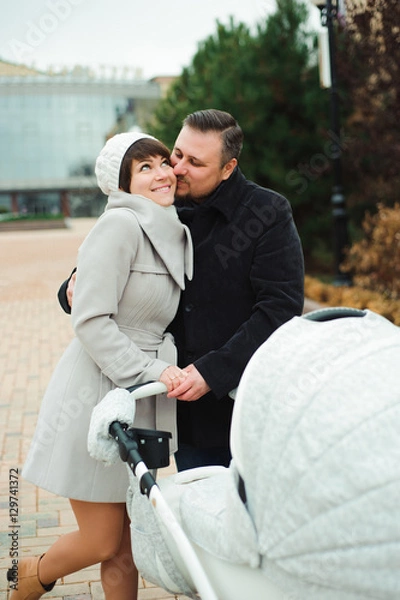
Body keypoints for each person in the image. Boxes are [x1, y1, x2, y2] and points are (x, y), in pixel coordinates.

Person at [60, 109, 305, 472]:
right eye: (177, 154)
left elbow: (280, 309)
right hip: (182, 412)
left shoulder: (267, 212)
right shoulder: (162, 202)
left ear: (228, 168)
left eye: (194, 162)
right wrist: (73, 284)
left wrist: (213, 372)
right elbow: (109, 256)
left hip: (245, 403)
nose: (175, 169)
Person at [15, 131, 193, 600]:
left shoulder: (169, 227)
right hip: (96, 392)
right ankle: (30, 576)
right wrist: (153, 372)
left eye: (162, 162)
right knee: (100, 539)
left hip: (136, 399)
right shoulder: (119, 227)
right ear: (121, 184)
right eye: (145, 168)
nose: (161, 174)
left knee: (125, 545)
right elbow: (91, 321)